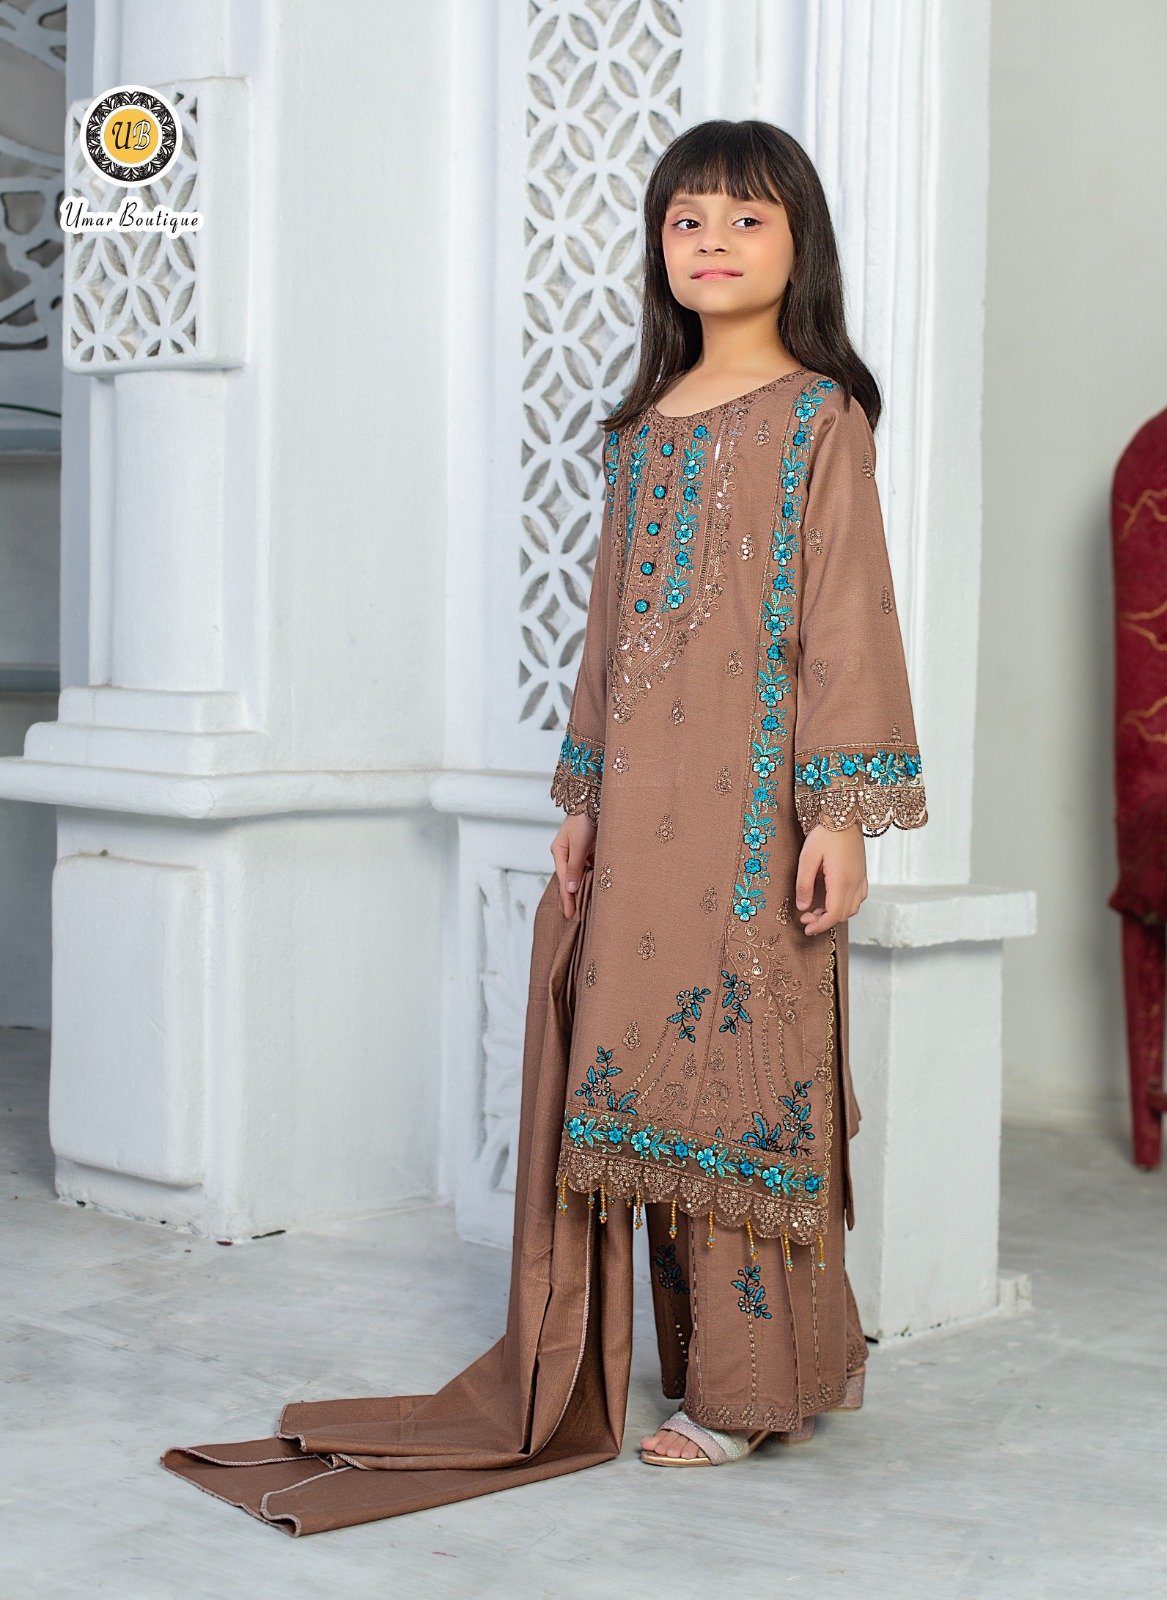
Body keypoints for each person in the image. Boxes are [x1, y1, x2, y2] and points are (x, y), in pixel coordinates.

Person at [160, 117, 927, 1533]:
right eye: (686, 219)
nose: (712, 242)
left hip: (758, 820)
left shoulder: (822, 419)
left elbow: (848, 626)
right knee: (649, 1090)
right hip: (641, 820)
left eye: (745, 219)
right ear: (658, 248)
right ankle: (742, 1373)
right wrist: (581, 802)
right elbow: (604, 642)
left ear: (800, 245)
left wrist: (844, 815)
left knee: (745, 1080)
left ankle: (753, 1387)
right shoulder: (641, 432)